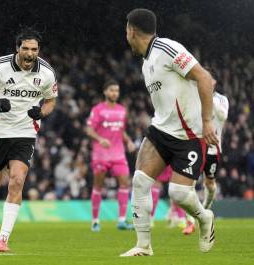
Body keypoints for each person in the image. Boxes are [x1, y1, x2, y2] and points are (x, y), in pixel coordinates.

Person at [120, 9, 218, 257]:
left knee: (179, 193)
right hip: (162, 130)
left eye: (126, 30)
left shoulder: (167, 48)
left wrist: (207, 121)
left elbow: (205, 78)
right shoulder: (146, 63)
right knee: (140, 180)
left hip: (190, 136)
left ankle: (204, 217)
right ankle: (143, 246)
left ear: (131, 30)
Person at [0, 28, 58, 252]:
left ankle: (2, 239)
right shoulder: (0, 67)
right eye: (26, 49)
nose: (30, 54)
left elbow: (50, 100)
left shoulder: (47, 73)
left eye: (34, 49)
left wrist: (42, 113)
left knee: (17, 180)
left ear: (38, 50)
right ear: (17, 48)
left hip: (25, 133)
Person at [183, 73, 229, 235]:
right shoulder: (193, 98)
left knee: (209, 184)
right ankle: (189, 221)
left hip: (213, 148)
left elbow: (223, 116)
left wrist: (208, 97)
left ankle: (206, 209)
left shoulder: (221, 99)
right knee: (188, 184)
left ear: (214, 82)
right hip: (194, 146)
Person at [86, 80, 135, 231]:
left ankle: (121, 220)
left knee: (125, 184)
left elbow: (121, 130)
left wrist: (128, 141)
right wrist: (100, 139)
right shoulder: (98, 109)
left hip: (118, 154)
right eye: (112, 90)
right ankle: (95, 221)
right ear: (105, 92)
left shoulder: (122, 110)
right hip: (101, 155)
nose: (115, 93)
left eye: (117, 90)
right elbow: (89, 130)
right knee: (98, 186)